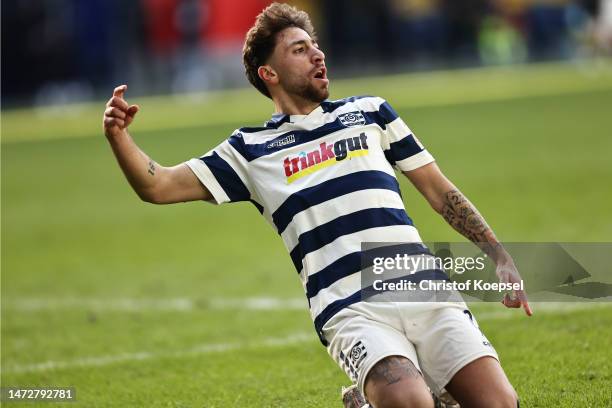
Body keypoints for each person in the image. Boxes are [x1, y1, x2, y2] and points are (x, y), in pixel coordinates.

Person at [102, 3, 531, 407]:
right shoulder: (249, 150)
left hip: (423, 286)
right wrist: (120, 137)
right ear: (268, 72)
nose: (317, 55)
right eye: (300, 49)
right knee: (409, 402)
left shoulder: (371, 112)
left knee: (498, 402)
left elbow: (440, 192)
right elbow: (159, 185)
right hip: (350, 307)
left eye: (316, 45)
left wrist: (498, 255)